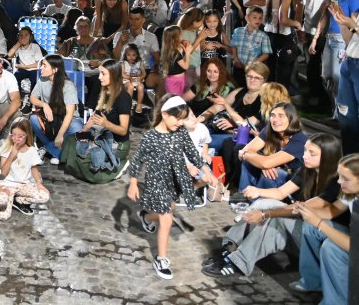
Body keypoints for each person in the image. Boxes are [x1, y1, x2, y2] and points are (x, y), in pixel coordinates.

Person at [201, 133, 343, 278]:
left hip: (318, 243)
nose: (305, 155)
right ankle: (230, 248)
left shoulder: (336, 181)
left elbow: (303, 208)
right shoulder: (308, 170)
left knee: (276, 219)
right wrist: (257, 191)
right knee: (264, 202)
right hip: (304, 226)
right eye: (305, 150)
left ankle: (239, 262)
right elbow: (281, 192)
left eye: (312, 153)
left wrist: (264, 214)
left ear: (328, 156)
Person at [128, 96, 216, 280]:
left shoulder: (180, 132)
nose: (180, 122)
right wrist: (133, 183)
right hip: (156, 181)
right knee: (167, 219)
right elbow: (137, 160)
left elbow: (193, 153)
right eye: (177, 118)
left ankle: (145, 216)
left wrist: (205, 169)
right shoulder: (151, 137)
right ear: (165, 114)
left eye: (183, 118)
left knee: (170, 210)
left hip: (174, 180)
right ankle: (161, 259)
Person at [288, 153, 358, 302]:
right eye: (339, 176)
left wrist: (318, 222)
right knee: (310, 226)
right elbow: (331, 211)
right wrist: (306, 211)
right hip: (354, 238)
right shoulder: (352, 193)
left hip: (355, 244)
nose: (339, 182)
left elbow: (354, 246)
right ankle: (313, 282)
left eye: (345, 179)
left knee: (331, 248)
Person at [62, 60, 133, 183]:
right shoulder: (104, 93)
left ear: (114, 75)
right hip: (103, 136)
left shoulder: (123, 97)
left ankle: (120, 165)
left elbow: (123, 130)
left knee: (88, 165)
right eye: (100, 73)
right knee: (71, 140)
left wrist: (106, 124)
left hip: (117, 143)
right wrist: (84, 131)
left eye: (103, 74)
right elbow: (95, 117)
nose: (99, 77)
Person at [238, 102, 307, 192]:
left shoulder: (300, 139)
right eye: (273, 115)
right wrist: (262, 163)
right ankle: (243, 196)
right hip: (281, 176)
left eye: (281, 116)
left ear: (291, 119)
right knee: (250, 162)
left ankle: (256, 202)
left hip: (296, 186)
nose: (275, 120)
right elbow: (246, 150)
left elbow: (263, 162)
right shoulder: (270, 130)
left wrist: (247, 155)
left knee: (272, 173)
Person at [28, 54, 80, 164]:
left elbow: (70, 113)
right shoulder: (42, 80)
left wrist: (60, 135)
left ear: (55, 69)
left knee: (77, 127)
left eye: (44, 66)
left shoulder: (68, 85)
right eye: (42, 65)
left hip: (68, 119)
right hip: (52, 118)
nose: (41, 68)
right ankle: (57, 152)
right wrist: (44, 105)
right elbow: (32, 98)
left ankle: (47, 148)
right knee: (33, 119)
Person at [0, 117, 50, 216]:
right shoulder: (6, 148)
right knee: (4, 216)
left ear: (27, 135)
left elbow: (34, 169)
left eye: (20, 136)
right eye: (13, 135)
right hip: (7, 184)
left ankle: (18, 201)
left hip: (23, 185)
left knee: (44, 196)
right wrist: (11, 156)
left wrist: (39, 183)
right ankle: (9, 199)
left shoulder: (32, 150)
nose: (16, 139)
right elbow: (2, 174)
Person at [329, 0, 359, 155]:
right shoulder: (357, 12)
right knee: (346, 116)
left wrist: (353, 25)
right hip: (350, 62)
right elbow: (350, 41)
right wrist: (341, 22)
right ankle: (349, 162)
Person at [231, 7, 273, 86]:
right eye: (254, 17)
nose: (258, 20)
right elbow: (234, 46)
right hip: (238, 68)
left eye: (260, 18)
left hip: (253, 70)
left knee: (251, 89)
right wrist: (236, 59)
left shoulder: (263, 36)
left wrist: (254, 63)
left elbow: (266, 54)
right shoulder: (238, 31)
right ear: (247, 18)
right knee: (237, 88)